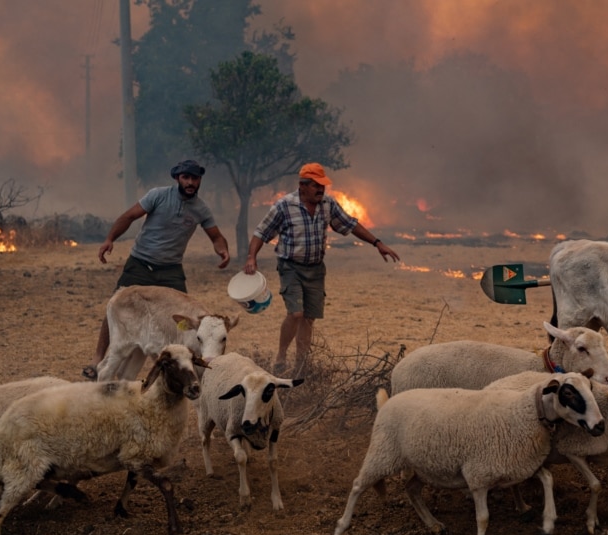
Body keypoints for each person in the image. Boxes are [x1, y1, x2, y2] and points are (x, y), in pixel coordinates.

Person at [244, 162, 400, 374]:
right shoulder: (284, 206)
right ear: (303, 185)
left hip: (316, 269)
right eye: (316, 185)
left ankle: (301, 366)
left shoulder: (328, 204)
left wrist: (377, 243)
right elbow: (261, 232)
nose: (321, 189)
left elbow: (351, 224)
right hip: (291, 267)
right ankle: (281, 356)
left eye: (322, 185)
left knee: (309, 318)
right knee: (296, 313)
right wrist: (251, 257)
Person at [83, 159, 231, 379]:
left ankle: (174, 366)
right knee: (118, 304)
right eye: (186, 178)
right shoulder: (158, 195)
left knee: (184, 318)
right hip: (141, 262)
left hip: (171, 269)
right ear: (177, 178)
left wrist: (223, 251)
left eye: (195, 178)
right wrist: (109, 239)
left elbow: (216, 236)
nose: (190, 182)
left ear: (200, 180)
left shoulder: (201, 209)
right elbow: (129, 216)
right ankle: (97, 359)